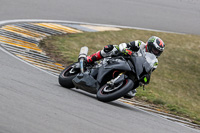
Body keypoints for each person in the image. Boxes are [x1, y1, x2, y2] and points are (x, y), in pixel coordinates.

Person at [86, 36, 165, 99]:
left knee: (132, 91)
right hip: (123, 58)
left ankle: (121, 86)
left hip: (133, 70)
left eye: (158, 51)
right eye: (155, 50)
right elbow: (123, 45)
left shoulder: (154, 62)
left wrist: (143, 79)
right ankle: (91, 58)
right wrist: (125, 50)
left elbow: (147, 71)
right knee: (111, 48)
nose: (156, 52)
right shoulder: (139, 44)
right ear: (150, 46)